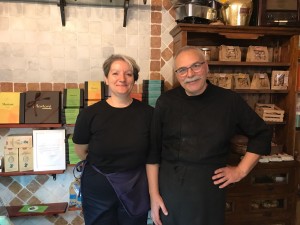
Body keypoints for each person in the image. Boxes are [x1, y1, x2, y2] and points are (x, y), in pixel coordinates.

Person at [146, 46, 272, 225]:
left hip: (209, 189)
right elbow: (153, 151)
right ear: (177, 74)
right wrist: (154, 195)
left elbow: (262, 133)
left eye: (196, 66)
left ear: (206, 67)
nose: (190, 74)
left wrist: (240, 171)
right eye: (182, 70)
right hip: (171, 189)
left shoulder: (229, 101)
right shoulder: (166, 102)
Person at [72, 54, 153, 225]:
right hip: (98, 189)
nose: (122, 79)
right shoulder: (89, 114)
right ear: (106, 79)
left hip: (136, 187)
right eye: (115, 73)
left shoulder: (149, 114)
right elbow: (81, 151)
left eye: (128, 74)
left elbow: (152, 156)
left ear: (134, 79)